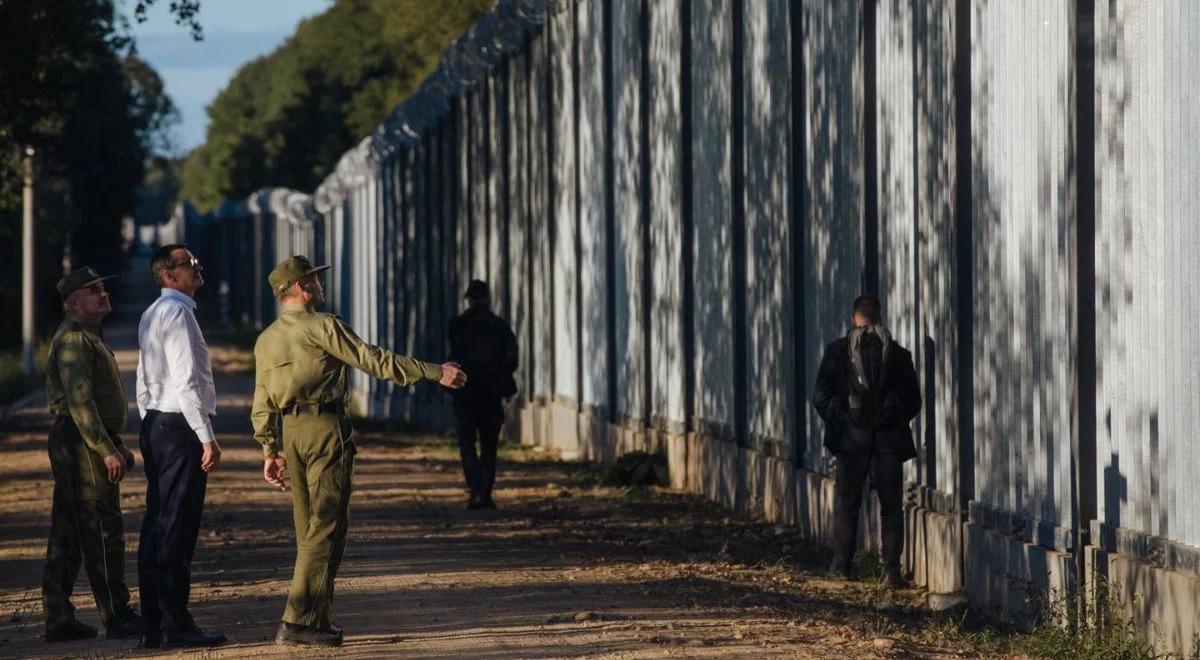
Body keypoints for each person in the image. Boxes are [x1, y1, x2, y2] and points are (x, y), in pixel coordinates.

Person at [251, 256, 467, 646]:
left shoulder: (266, 338)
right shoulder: (323, 326)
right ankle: (297, 621)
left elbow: (262, 398)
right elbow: (374, 360)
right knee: (327, 526)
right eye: (314, 279)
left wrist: (269, 448)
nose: (320, 284)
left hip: (291, 432)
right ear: (300, 288)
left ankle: (316, 620)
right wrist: (435, 372)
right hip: (325, 428)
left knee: (309, 531)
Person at [42, 267, 142, 642]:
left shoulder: (88, 335)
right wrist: (104, 449)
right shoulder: (74, 339)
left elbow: (93, 402)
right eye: (92, 290)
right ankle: (116, 614)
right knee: (102, 527)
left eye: (102, 287)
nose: (102, 294)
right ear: (72, 303)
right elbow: (80, 401)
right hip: (79, 442)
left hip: (83, 438)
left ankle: (58, 618)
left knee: (68, 530)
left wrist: (114, 443)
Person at [134, 245, 226, 648]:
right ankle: (177, 624)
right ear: (169, 275)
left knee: (156, 522)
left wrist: (151, 422)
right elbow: (187, 382)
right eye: (190, 263)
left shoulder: (153, 313)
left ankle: (154, 623)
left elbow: (143, 380)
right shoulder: (177, 314)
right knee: (177, 526)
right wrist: (205, 436)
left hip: (158, 421)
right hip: (178, 427)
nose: (197, 267)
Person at [812, 294, 921, 588]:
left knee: (848, 504)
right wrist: (892, 420)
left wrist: (843, 421)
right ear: (881, 317)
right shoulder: (899, 355)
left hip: (850, 442)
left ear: (853, 319)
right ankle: (891, 571)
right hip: (888, 443)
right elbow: (914, 401)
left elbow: (820, 398)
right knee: (890, 506)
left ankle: (841, 567)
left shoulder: (837, 352)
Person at [447, 280, 518, 510]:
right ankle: (484, 492)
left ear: (468, 299)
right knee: (489, 445)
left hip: (465, 394)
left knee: (468, 445)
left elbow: (453, 358)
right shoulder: (499, 327)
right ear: (488, 298)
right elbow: (512, 360)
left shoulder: (457, 326)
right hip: (490, 395)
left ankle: (478, 490)